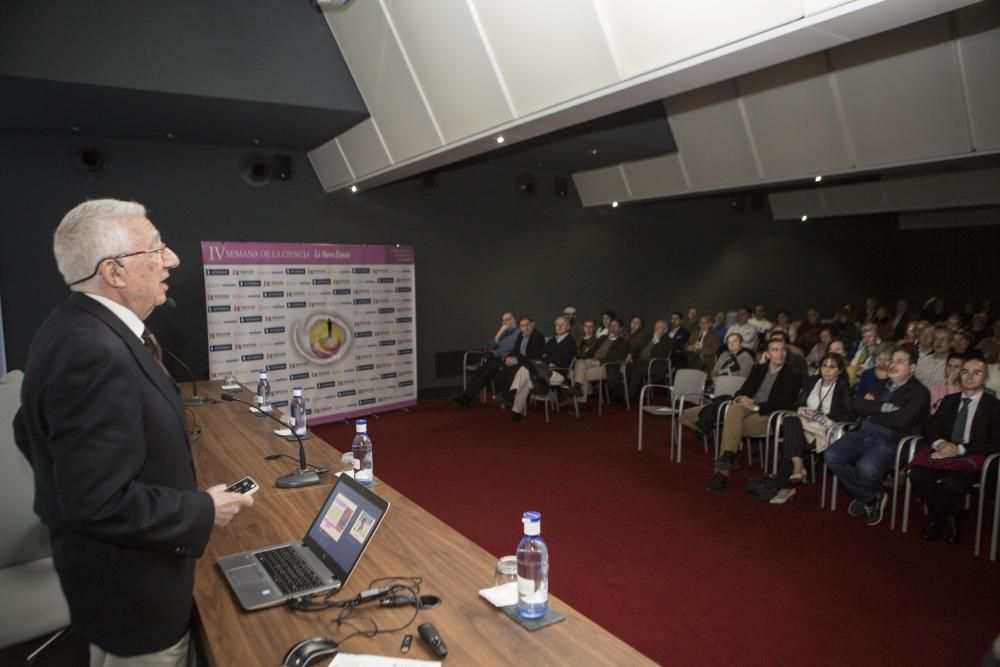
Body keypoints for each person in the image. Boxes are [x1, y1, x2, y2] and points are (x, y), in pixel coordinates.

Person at [13, 199, 253, 665]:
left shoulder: (71, 324)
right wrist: (202, 507)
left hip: (106, 577)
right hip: (134, 598)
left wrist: (66, 485)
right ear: (115, 272)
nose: (173, 259)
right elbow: (98, 502)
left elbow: (28, 430)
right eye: (157, 248)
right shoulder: (94, 351)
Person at [823, 347, 930, 526]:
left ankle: (866, 496)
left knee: (867, 468)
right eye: (892, 360)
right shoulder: (880, 384)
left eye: (900, 361)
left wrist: (873, 408)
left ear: (912, 368)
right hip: (864, 431)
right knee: (831, 455)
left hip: (891, 438)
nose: (893, 365)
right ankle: (871, 497)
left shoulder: (920, 392)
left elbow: (902, 420)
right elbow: (857, 405)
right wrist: (885, 407)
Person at [909, 358, 1000, 544]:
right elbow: (929, 426)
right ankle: (953, 515)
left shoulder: (994, 406)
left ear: (986, 378)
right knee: (917, 475)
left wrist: (960, 449)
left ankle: (938, 520)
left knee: (951, 484)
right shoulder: (950, 401)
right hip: (945, 453)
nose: (970, 376)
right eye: (965, 371)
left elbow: (995, 442)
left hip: (974, 457)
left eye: (977, 372)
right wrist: (941, 443)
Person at [707, 337, 803, 492]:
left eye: (783, 350)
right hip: (748, 408)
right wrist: (740, 398)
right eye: (775, 350)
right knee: (734, 408)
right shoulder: (759, 369)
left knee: (732, 427)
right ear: (767, 354)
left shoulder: (792, 375)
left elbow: (786, 403)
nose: (780, 353)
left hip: (768, 414)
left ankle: (722, 474)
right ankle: (729, 454)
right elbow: (742, 390)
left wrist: (757, 406)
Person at [770, 352, 855, 504]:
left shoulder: (842, 387)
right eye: (824, 366)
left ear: (840, 371)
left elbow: (850, 416)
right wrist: (805, 411)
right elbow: (797, 404)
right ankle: (797, 465)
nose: (827, 370)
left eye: (832, 367)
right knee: (790, 420)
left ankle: (788, 484)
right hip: (803, 428)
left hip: (823, 432)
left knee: (791, 438)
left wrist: (823, 417)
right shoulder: (812, 382)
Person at [509, 315, 576, 422]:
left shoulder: (570, 342)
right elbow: (541, 355)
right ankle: (516, 410)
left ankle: (514, 396)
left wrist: (548, 358)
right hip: (544, 371)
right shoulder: (552, 341)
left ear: (568, 327)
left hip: (559, 373)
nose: (558, 327)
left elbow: (561, 361)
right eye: (557, 325)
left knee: (526, 372)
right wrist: (548, 359)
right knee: (527, 376)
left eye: (562, 325)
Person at [452, 311, 518, 409]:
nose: (506, 322)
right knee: (479, 372)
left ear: (514, 320)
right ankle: (466, 396)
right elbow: (491, 346)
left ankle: (467, 398)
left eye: (508, 319)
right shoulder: (503, 334)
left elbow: (516, 350)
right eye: (504, 320)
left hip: (505, 360)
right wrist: (499, 332)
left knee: (485, 372)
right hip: (494, 359)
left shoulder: (518, 333)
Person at [571, 318, 629, 410]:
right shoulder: (603, 338)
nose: (612, 328)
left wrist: (600, 362)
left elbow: (618, 358)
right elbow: (592, 351)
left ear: (620, 329)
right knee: (580, 361)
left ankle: (580, 404)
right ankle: (577, 386)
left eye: (615, 326)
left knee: (583, 375)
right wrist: (582, 355)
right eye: (611, 326)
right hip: (592, 361)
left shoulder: (623, 342)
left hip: (607, 367)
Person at [497, 315, 545, 409]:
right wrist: (509, 358)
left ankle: (513, 400)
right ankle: (509, 399)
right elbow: (515, 351)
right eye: (522, 326)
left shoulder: (537, 336)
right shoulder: (520, 335)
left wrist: (516, 360)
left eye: (527, 325)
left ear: (532, 325)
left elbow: (533, 355)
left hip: (531, 365)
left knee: (512, 374)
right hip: (520, 362)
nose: (525, 328)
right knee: (500, 373)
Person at [625, 318, 673, 403]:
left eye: (660, 327)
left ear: (665, 330)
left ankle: (628, 398)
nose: (656, 329)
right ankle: (624, 393)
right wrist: (630, 354)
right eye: (656, 327)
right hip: (641, 362)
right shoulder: (649, 336)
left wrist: (658, 341)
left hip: (655, 365)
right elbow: (638, 346)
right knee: (625, 368)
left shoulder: (668, 341)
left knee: (637, 372)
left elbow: (662, 357)